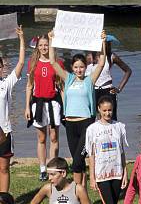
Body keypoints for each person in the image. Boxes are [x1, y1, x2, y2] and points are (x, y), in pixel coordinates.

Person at [48, 29, 107, 185]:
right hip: (70, 123)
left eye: (81, 67)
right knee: (77, 161)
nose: (79, 70)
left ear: (85, 67)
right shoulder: (68, 79)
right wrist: (52, 41)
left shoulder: (89, 80)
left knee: (76, 162)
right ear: (72, 68)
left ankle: (79, 189)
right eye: (76, 67)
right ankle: (80, 194)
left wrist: (102, 41)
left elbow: (101, 63)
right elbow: (53, 62)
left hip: (86, 123)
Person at [86, 96, 128, 204]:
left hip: (116, 172)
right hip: (101, 174)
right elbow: (91, 154)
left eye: (110, 110)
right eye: (104, 110)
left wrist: (125, 173)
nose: (107, 113)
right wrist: (92, 177)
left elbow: (122, 152)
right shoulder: (92, 129)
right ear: (99, 109)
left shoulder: (119, 127)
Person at [25, 34, 64, 181]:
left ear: (51, 45)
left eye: (46, 45)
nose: (43, 48)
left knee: (54, 137)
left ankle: (53, 168)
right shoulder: (33, 62)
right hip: (38, 103)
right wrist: (27, 107)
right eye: (41, 45)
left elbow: (61, 86)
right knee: (41, 138)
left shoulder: (57, 63)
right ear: (37, 47)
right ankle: (42, 169)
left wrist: (65, 105)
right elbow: (29, 86)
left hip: (53, 103)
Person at [0, 26, 25, 192]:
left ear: (1, 67)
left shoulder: (6, 84)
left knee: (3, 168)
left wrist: (21, 39)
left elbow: (21, 63)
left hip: (4, 132)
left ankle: (3, 200)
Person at [86, 39, 132, 121]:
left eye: (105, 43)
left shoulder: (111, 56)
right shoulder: (89, 57)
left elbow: (128, 71)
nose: (102, 45)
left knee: (111, 119)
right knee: (91, 119)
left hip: (108, 90)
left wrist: (119, 89)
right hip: (93, 90)